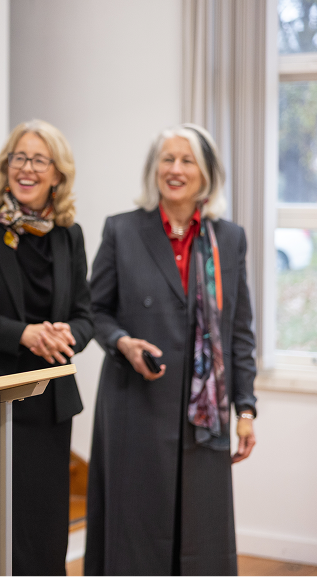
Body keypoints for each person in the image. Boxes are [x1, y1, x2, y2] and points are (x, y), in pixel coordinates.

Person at [84, 124, 257, 577]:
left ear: (206, 174)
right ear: (153, 169)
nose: (175, 169)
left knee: (201, 533)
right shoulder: (122, 230)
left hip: (205, 415)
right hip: (134, 406)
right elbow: (93, 310)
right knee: (135, 533)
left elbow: (239, 331)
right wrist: (122, 341)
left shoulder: (229, 239)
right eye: (167, 159)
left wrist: (246, 409)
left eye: (187, 160)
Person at [0, 119, 94, 577]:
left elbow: (86, 314)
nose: (26, 169)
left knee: (45, 532)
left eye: (38, 160)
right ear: (6, 167)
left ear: (58, 174)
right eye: (18, 158)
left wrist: (69, 336)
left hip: (49, 406)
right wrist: (22, 333)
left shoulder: (70, 235)